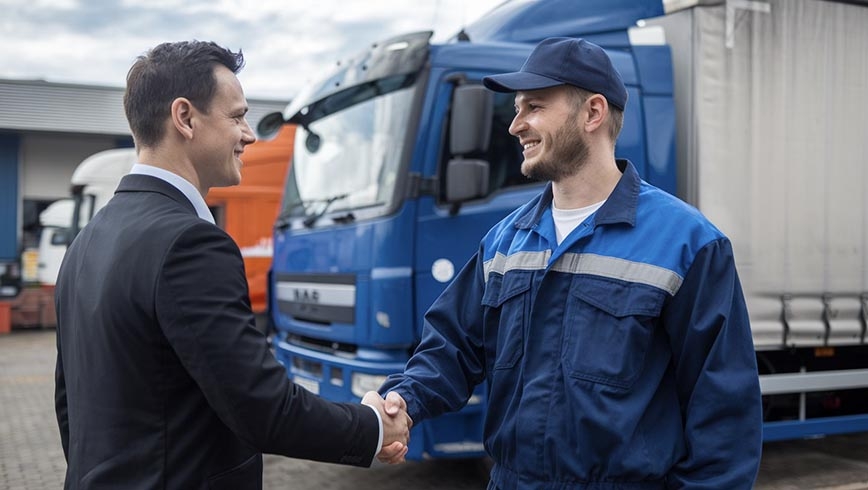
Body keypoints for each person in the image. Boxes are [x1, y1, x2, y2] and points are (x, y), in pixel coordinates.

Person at [378, 37, 763, 489]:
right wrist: (400, 403)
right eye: (517, 109)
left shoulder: (688, 245)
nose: (515, 125)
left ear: (593, 113)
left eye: (534, 107)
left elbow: (724, 418)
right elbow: (451, 349)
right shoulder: (504, 242)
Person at [54, 41, 411, 490]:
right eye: (237, 116)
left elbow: (71, 407)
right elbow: (263, 408)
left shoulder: (87, 241)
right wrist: (373, 426)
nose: (250, 134)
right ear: (184, 118)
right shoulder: (190, 242)